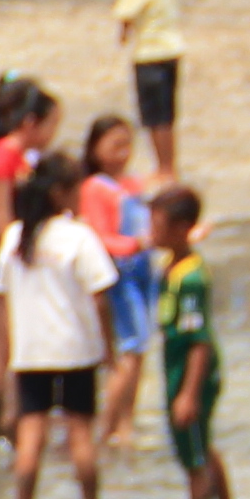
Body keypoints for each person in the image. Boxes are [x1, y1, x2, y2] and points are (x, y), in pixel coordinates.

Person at [0, 154, 112, 499]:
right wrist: (108, 349)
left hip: (31, 353)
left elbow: (1, 299)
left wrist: (2, 354)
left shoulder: (14, 238)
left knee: (31, 440)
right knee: (82, 438)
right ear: (62, 192)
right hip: (76, 350)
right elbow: (101, 298)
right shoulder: (78, 237)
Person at [153, 184, 238, 499]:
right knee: (201, 445)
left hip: (190, 371)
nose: (151, 230)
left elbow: (199, 340)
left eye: (158, 223)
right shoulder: (171, 266)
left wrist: (188, 393)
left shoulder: (191, 279)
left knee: (193, 459)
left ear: (180, 227)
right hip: (176, 365)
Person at [77, 112, 159, 452]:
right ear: (96, 149)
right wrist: (135, 244)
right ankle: (108, 425)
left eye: (128, 145)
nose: (124, 153)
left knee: (139, 350)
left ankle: (126, 422)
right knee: (129, 350)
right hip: (119, 275)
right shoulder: (95, 188)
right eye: (116, 146)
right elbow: (99, 237)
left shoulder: (132, 184)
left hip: (143, 272)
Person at [118, 0, 187, 179]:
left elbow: (128, 10)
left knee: (154, 115)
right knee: (168, 114)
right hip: (173, 46)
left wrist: (123, 32)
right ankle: (169, 164)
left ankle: (163, 168)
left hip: (149, 50)